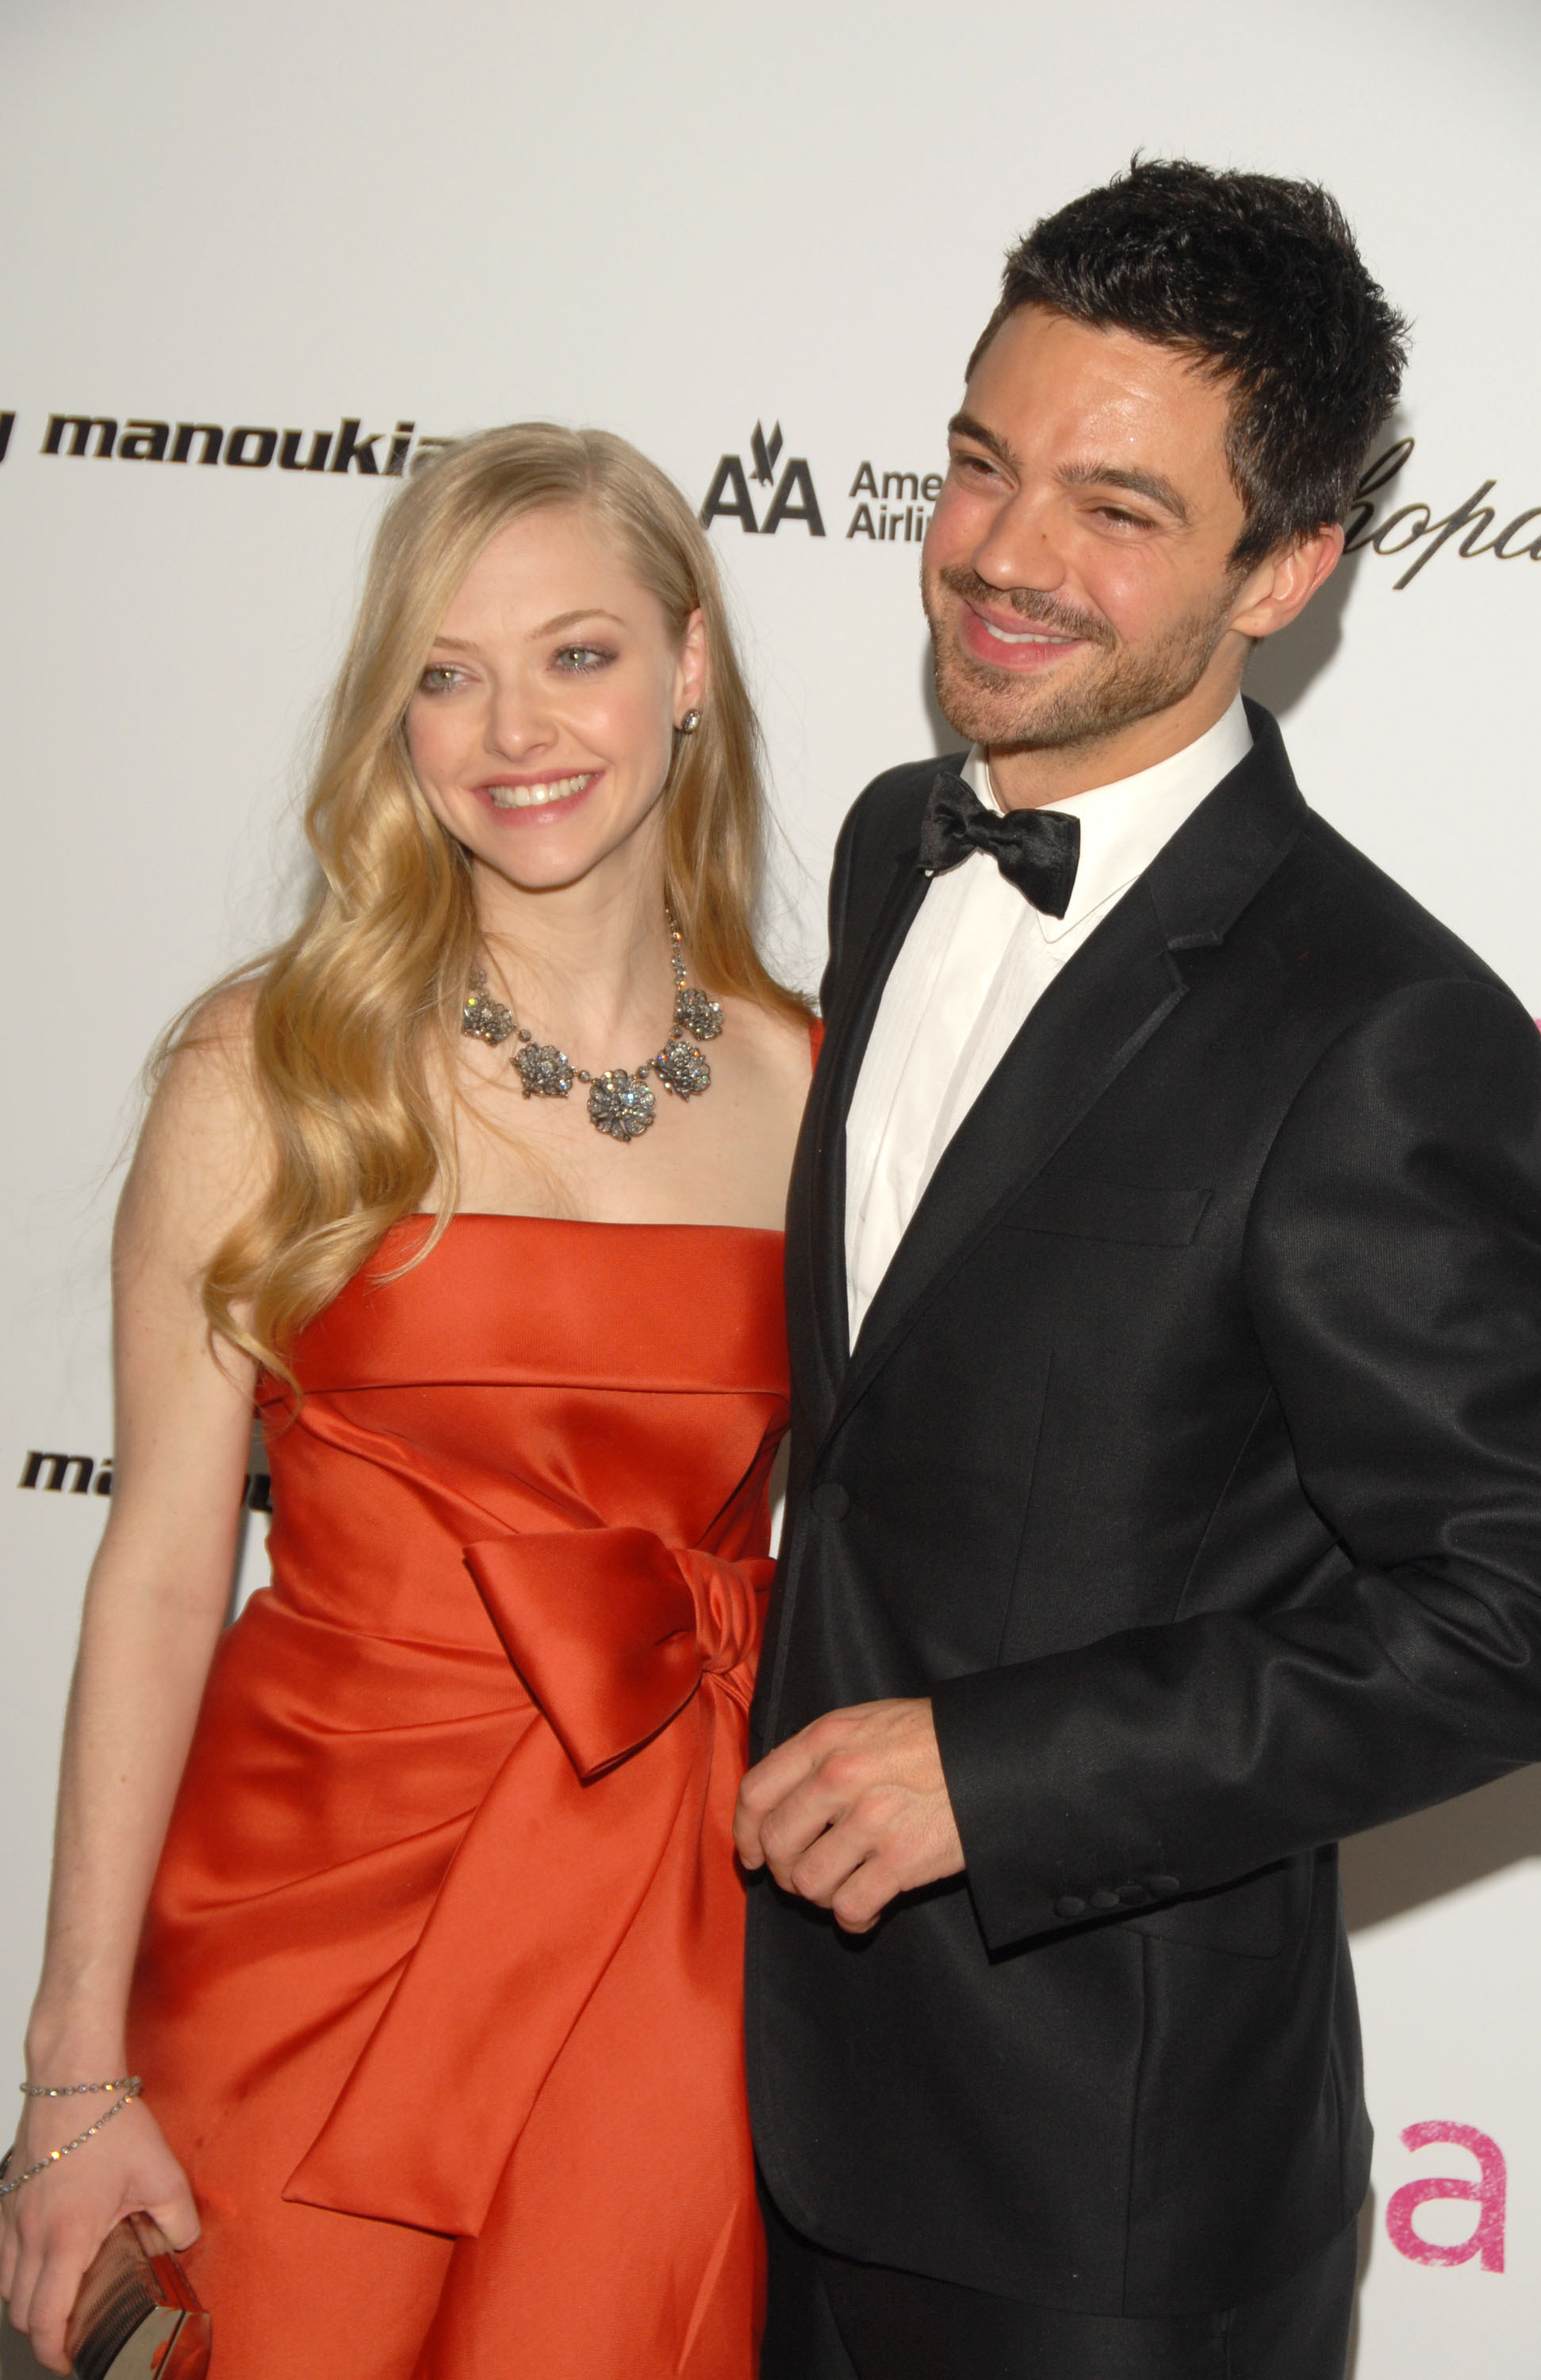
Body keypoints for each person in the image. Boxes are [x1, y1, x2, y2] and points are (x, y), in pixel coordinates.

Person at [735, 159, 1541, 2380]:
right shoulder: (886, 850)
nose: (1002, 557)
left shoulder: (1379, 1031)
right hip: (763, 2094)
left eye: (1115, 509)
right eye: (979, 462)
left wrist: (999, 1778)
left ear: (1285, 569)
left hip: (1094, 2202)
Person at [1, 423, 815, 2380]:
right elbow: (159, 1572)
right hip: (298, 1925)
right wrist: (69, 2072)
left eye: (578, 652)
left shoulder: (824, 1086)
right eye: (444, 672)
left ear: (689, 666)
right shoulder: (271, 1070)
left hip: (671, 1945)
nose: (511, 726)